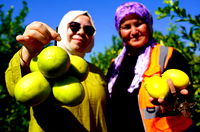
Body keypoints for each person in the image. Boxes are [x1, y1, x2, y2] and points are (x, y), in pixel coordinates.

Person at [5, 10, 108, 132]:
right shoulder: (39, 61)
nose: (81, 32)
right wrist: (27, 54)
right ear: (62, 29)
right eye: (74, 26)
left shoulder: (97, 72)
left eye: (89, 30)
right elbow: (15, 87)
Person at [106, 2, 195, 132]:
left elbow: (187, 96)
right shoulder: (115, 65)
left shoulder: (168, 55)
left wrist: (176, 102)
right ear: (119, 31)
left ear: (149, 26)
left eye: (138, 24)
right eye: (126, 27)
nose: (134, 31)